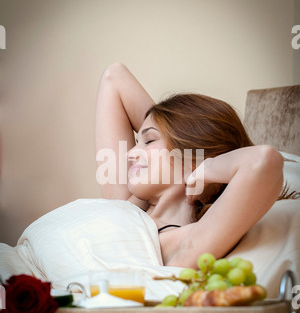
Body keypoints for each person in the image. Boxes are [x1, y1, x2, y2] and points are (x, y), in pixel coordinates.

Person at [95, 62, 284, 269]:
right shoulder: (125, 207)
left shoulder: (185, 242)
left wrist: (204, 169)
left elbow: (264, 160)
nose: (130, 154)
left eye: (148, 141)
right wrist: (163, 124)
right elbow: (114, 77)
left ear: (192, 161)